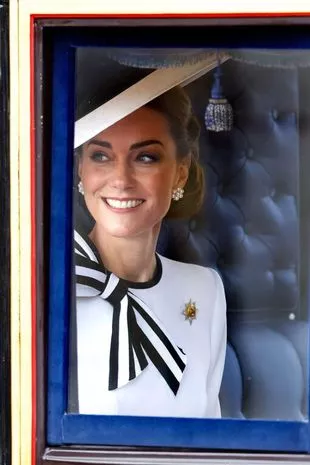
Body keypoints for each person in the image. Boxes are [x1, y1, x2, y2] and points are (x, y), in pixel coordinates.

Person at [69, 85, 227, 418]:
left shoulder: (205, 290)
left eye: (145, 157)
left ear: (179, 173)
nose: (121, 180)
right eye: (100, 156)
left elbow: (210, 435)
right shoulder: (49, 287)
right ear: (81, 169)